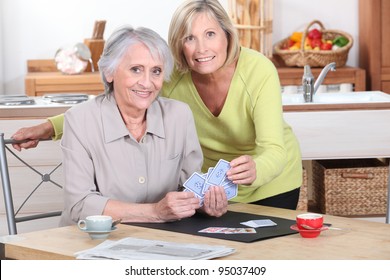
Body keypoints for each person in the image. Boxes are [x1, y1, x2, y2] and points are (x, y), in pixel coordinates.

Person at [12, 0, 302, 210]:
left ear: (228, 34)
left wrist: (256, 170)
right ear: (179, 44)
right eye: (190, 38)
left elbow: (274, 150)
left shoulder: (257, 70)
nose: (201, 48)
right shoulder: (168, 76)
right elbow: (109, 105)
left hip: (269, 182)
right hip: (210, 191)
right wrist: (49, 127)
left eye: (210, 34)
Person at [50, 25, 228, 226]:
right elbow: (80, 205)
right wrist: (155, 212)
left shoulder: (179, 115)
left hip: (161, 241)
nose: (147, 83)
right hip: (91, 241)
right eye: (136, 70)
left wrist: (205, 203)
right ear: (109, 72)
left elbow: (188, 189)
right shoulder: (79, 120)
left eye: (156, 71)